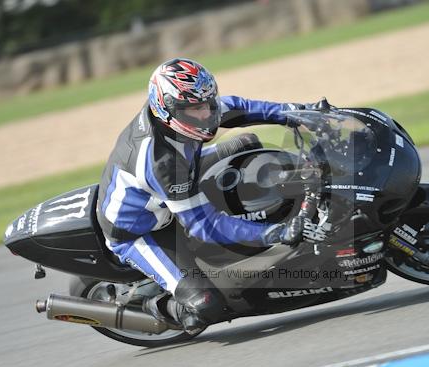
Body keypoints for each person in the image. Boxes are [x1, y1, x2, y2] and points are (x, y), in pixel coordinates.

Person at [97, 58, 319, 334]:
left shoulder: (185, 109)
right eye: (194, 110)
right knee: (206, 305)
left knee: (246, 143)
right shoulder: (160, 161)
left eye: (207, 105)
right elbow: (205, 225)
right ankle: (152, 303)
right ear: (167, 109)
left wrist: (299, 112)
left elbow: (241, 107)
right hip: (140, 229)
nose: (205, 115)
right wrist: (276, 233)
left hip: (178, 176)